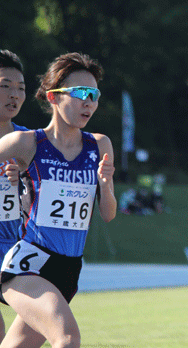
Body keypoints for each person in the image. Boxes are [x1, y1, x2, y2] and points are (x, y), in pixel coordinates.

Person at [0, 52, 117, 348]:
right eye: (80, 93)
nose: (89, 101)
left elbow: (108, 214)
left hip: (68, 269)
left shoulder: (100, 145)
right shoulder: (26, 143)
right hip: (28, 264)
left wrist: (106, 185)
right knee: (66, 337)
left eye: (94, 94)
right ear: (53, 97)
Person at [0, 50, 28, 342]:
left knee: (39, 319)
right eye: (5, 86)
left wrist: (24, 184)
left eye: (20, 88)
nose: (14, 95)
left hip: (18, 249)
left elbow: (39, 204)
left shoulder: (28, 142)